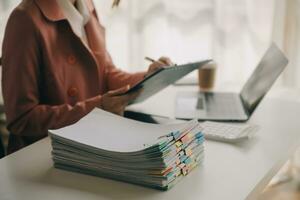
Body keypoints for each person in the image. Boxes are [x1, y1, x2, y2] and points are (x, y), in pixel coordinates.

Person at [1, 0, 173, 154]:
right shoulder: (24, 19)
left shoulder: (86, 6)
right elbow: (22, 119)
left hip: (89, 142)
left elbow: (106, 73)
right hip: (42, 157)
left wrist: (147, 77)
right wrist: (97, 109)